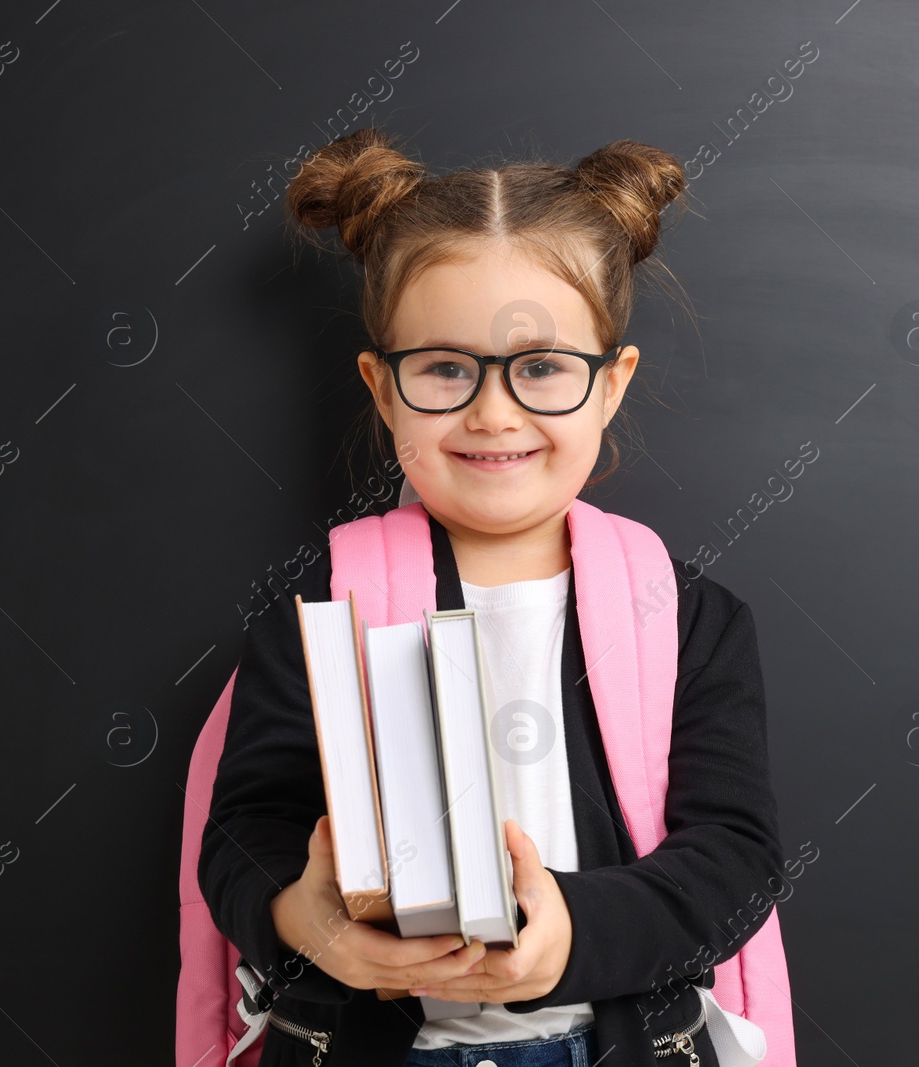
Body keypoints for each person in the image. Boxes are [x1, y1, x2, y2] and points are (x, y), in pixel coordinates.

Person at [198, 127, 787, 1067]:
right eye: (443, 368)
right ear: (382, 389)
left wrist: (573, 933)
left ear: (611, 385)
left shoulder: (687, 619)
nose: (494, 412)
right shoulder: (321, 603)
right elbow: (243, 830)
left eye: (544, 367)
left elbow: (733, 857)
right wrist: (301, 913)